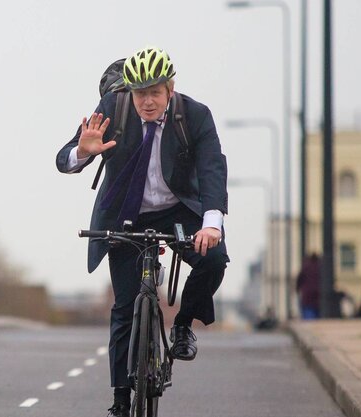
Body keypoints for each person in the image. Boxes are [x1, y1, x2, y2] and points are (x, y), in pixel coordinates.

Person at [55, 46, 229, 417]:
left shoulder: (193, 116)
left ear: (170, 89)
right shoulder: (113, 107)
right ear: (128, 92)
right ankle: (120, 398)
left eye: (154, 93)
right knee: (123, 307)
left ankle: (182, 327)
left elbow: (213, 167)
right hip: (125, 213)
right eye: (139, 93)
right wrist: (83, 153)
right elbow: (65, 158)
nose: (146, 102)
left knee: (213, 260)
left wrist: (212, 223)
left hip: (178, 210)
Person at [295, 253, 321, 319]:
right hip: (318, 296)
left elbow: (299, 280)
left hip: (307, 296)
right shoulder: (320, 267)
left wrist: (297, 289)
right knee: (317, 315)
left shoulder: (305, 267)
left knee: (308, 317)